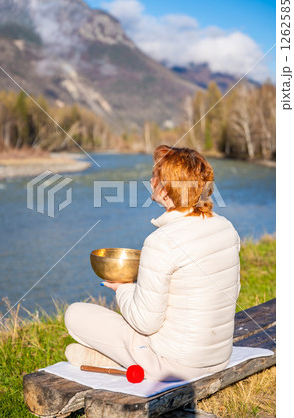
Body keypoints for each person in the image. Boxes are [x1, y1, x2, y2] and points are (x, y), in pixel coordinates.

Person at [64, 145, 241, 381]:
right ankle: (110, 358)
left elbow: (145, 323)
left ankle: (115, 360)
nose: (151, 179)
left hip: (174, 365)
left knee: (75, 314)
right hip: (220, 358)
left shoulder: (160, 242)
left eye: (156, 176)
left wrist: (124, 288)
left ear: (167, 190)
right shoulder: (226, 228)